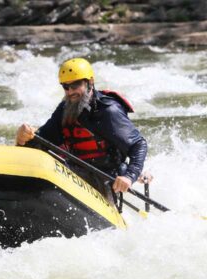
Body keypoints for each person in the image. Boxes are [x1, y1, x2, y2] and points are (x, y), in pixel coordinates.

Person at [15, 57, 147, 197]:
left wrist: (130, 175)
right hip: (75, 173)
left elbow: (138, 144)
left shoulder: (108, 111)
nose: (70, 91)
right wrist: (23, 137)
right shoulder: (65, 109)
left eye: (75, 85)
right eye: (66, 86)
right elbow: (42, 142)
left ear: (90, 82)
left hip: (106, 177)